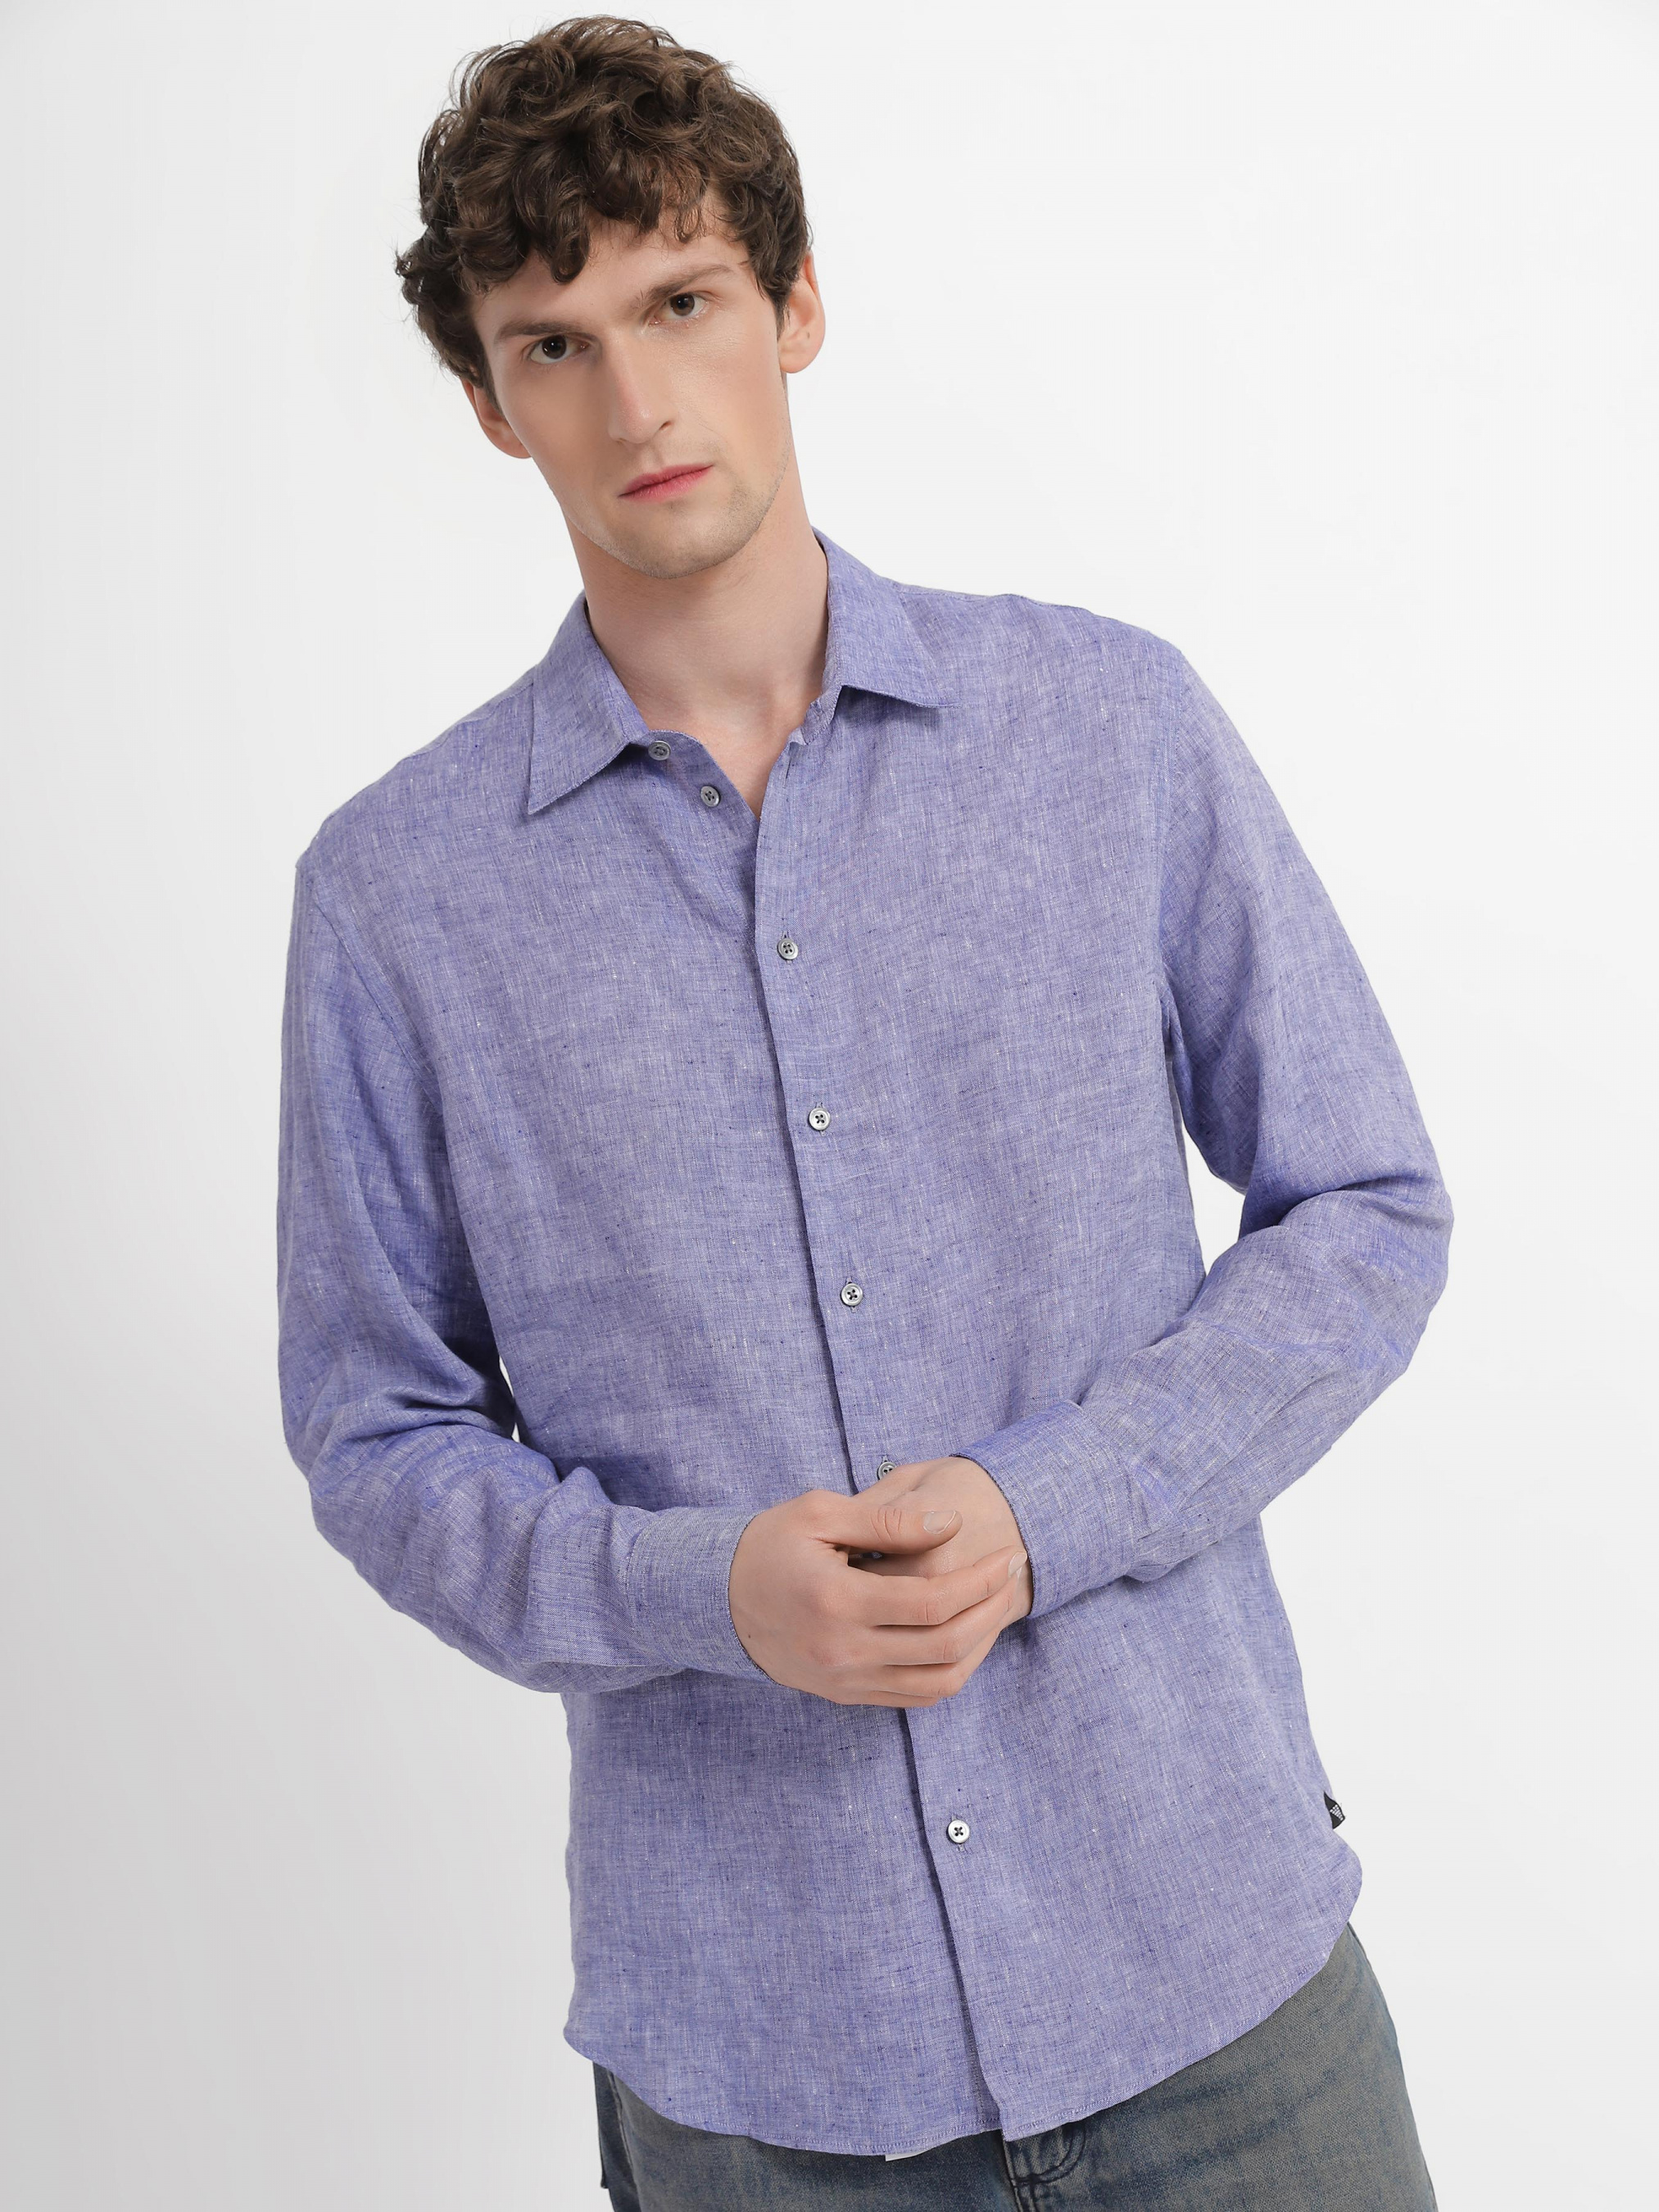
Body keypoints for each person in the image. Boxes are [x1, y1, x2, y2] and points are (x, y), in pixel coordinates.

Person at [276, 16, 1451, 2207]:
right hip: (764, 2075)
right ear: (490, 402)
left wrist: (1051, 1503)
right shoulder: (398, 899)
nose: (636, 402)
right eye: (554, 344)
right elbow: (375, 1431)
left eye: (682, 302)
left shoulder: (1104, 730)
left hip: (1209, 1982)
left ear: (796, 303)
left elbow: (1365, 1204)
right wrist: (700, 1587)